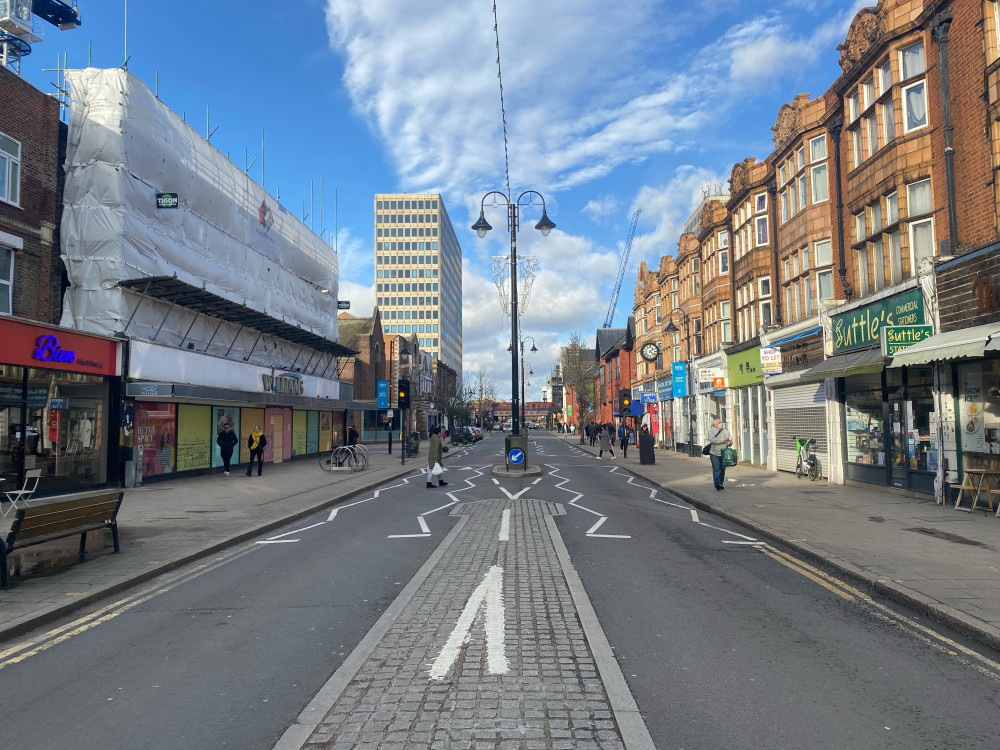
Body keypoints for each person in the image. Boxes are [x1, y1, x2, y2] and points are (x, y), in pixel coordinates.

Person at [708, 417, 733, 490]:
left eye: (721, 422)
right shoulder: (711, 431)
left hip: (724, 453)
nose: (720, 424)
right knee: (716, 468)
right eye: (719, 423)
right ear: (715, 424)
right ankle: (717, 483)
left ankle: (721, 483)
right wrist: (723, 439)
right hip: (714, 453)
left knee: (722, 469)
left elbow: (731, 440)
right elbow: (712, 440)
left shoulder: (725, 431)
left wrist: (729, 443)